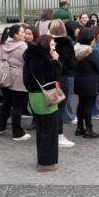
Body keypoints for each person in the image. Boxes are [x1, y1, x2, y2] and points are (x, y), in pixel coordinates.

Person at [23, 34, 64, 171]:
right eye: (52, 45)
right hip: (46, 97)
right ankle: (47, 163)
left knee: (42, 129)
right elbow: (56, 75)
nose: (54, 48)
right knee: (49, 131)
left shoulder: (30, 58)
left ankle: (42, 159)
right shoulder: (44, 60)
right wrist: (56, 61)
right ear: (46, 45)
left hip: (34, 96)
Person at [0, 24, 31, 141]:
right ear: (16, 34)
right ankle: (17, 133)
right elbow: (29, 63)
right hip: (18, 79)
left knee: (6, 103)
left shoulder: (2, 45)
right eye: (22, 32)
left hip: (3, 79)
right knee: (17, 106)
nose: (24, 34)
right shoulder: (23, 47)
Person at [73, 27, 99, 139]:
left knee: (81, 104)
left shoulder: (76, 50)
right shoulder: (91, 53)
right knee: (88, 106)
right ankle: (89, 129)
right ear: (90, 39)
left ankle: (79, 127)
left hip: (79, 81)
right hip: (91, 83)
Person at [49, 20, 75, 148]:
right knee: (60, 108)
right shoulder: (67, 43)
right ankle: (59, 135)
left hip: (48, 78)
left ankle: (50, 133)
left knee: (50, 107)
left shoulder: (46, 42)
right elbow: (72, 63)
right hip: (62, 77)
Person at [61, 21, 82, 125]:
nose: (78, 30)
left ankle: (67, 115)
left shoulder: (72, 40)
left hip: (70, 72)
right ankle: (67, 116)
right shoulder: (69, 41)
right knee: (68, 95)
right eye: (76, 28)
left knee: (68, 95)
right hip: (69, 72)